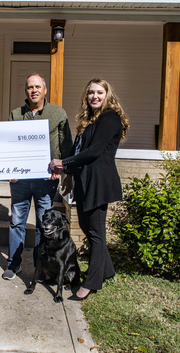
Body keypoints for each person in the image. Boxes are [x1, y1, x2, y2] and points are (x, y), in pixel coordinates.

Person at [49, 78, 130, 300]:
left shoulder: (109, 118)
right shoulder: (92, 120)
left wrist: (63, 164)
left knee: (95, 231)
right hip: (85, 180)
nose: (94, 96)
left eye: (99, 93)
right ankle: (106, 270)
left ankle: (92, 282)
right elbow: (80, 149)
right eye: (91, 93)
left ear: (107, 95)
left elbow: (93, 152)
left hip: (99, 182)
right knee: (87, 225)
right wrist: (70, 175)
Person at [3, 74, 73, 280]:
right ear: (26, 91)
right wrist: (9, 169)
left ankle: (40, 267)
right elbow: (8, 144)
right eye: (30, 87)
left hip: (46, 180)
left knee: (45, 224)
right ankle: (13, 264)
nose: (33, 90)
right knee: (17, 222)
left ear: (45, 90)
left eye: (37, 87)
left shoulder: (58, 113)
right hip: (20, 181)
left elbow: (65, 145)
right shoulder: (16, 114)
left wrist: (63, 169)